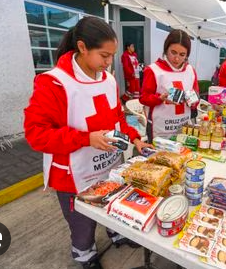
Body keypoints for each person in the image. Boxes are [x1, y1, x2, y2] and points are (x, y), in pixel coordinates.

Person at [24, 17, 152, 269]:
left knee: (113, 203)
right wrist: (86, 138)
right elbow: (35, 134)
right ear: (82, 47)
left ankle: (115, 233)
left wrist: (136, 138)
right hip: (74, 174)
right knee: (82, 222)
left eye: (111, 56)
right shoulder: (53, 82)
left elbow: (116, 117)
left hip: (109, 164)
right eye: (104, 55)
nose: (108, 63)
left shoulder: (107, 79)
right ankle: (85, 255)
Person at [140, 29, 200, 142]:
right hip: (160, 129)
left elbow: (196, 96)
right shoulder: (153, 70)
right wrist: (160, 98)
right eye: (173, 52)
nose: (177, 58)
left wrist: (192, 101)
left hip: (184, 127)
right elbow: (143, 98)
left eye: (182, 55)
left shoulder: (190, 70)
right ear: (166, 49)